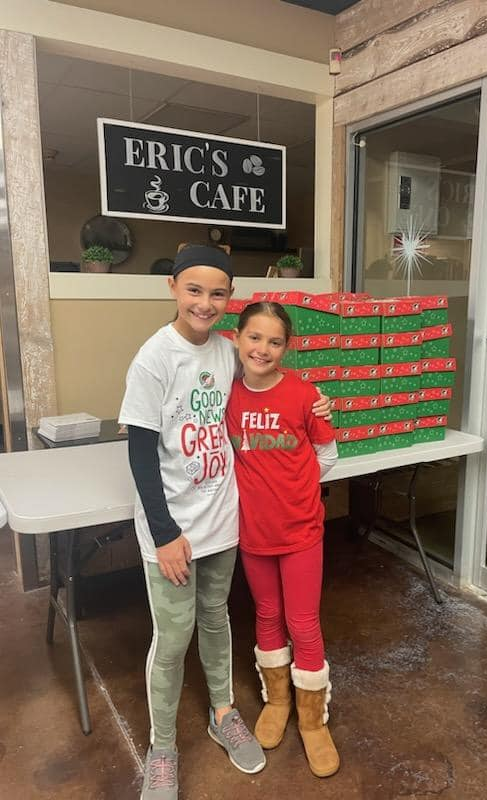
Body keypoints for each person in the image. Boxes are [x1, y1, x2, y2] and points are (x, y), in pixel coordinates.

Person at [118, 246, 331, 799]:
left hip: (223, 521)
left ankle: (222, 712)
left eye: (217, 293)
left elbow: (269, 373)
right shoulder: (153, 359)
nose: (205, 303)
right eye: (194, 290)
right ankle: (162, 747)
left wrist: (316, 403)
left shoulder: (226, 350)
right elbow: (139, 453)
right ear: (173, 288)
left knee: (216, 619)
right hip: (173, 531)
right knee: (173, 639)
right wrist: (164, 534)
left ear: (229, 299)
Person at [225, 301, 341, 778]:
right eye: (254, 338)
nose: (263, 349)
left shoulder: (303, 395)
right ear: (237, 338)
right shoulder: (227, 394)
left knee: (303, 620)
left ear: (286, 348)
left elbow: (327, 455)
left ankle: (312, 720)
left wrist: (295, 493)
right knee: (267, 613)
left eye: (274, 342)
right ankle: (277, 700)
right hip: (253, 533)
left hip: (301, 531)